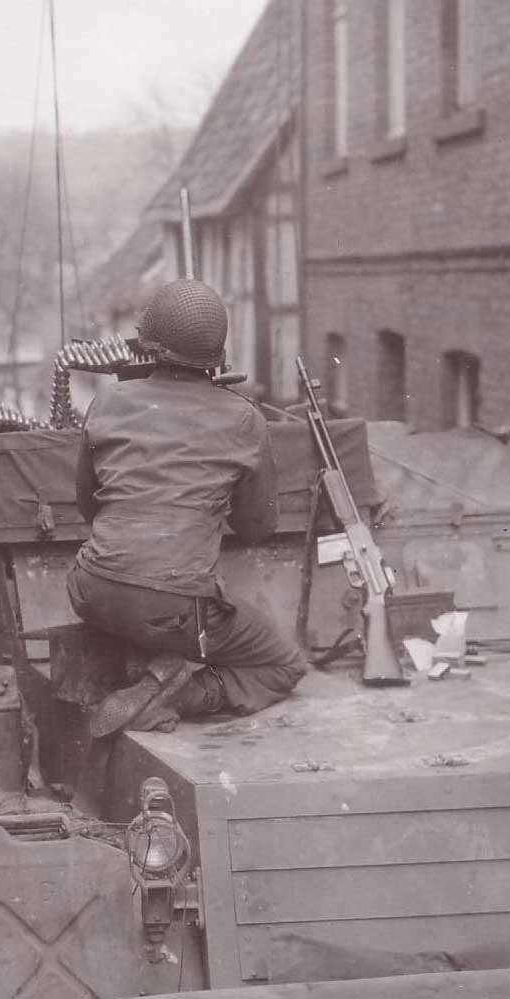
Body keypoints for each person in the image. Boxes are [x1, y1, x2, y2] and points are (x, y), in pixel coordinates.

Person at [68, 279, 308, 736]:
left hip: (88, 590)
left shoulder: (109, 400)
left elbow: (88, 505)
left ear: (147, 343)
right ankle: (176, 693)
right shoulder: (243, 418)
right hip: (172, 608)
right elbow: (258, 527)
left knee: (154, 617)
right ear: (218, 355)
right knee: (284, 664)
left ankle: (149, 663)